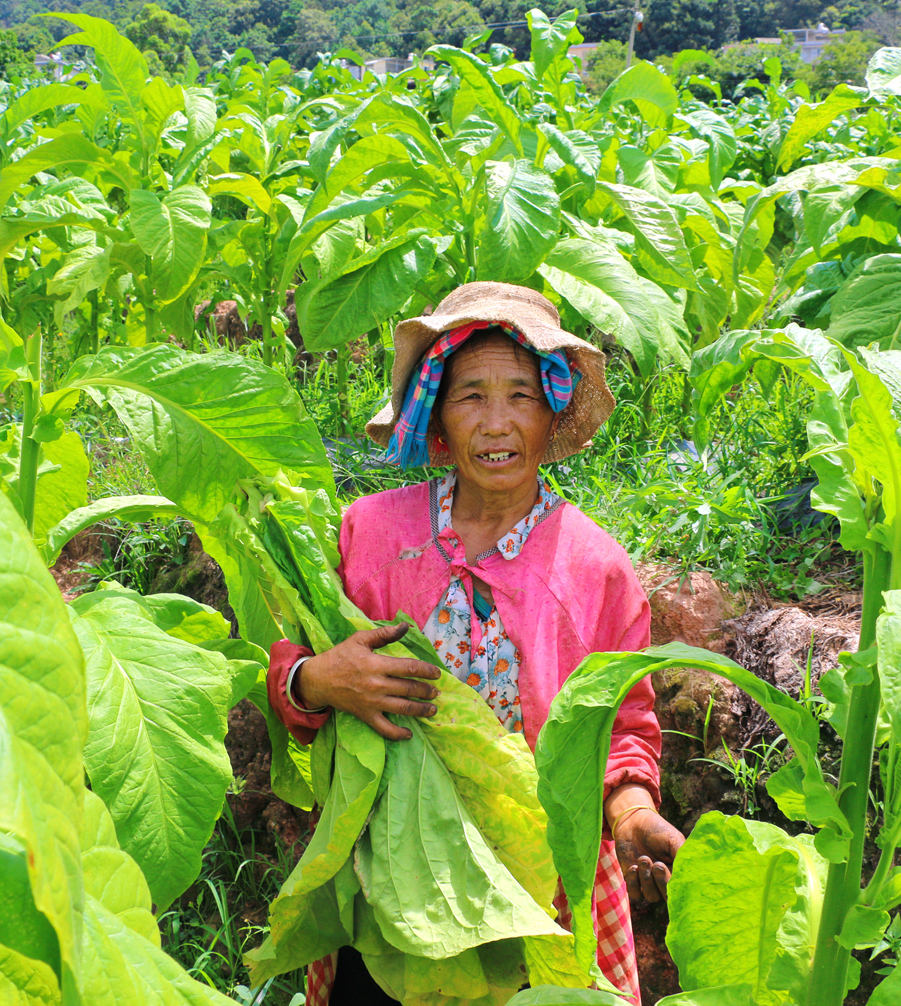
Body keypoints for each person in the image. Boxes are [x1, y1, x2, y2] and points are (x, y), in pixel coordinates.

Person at [265, 282, 684, 1005]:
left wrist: (632, 816)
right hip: (388, 877)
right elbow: (289, 669)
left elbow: (621, 728)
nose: (496, 423)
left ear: (551, 414)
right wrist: (318, 681)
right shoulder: (370, 534)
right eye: (471, 397)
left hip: (537, 889)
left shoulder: (595, 570)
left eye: (521, 396)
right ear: (437, 414)